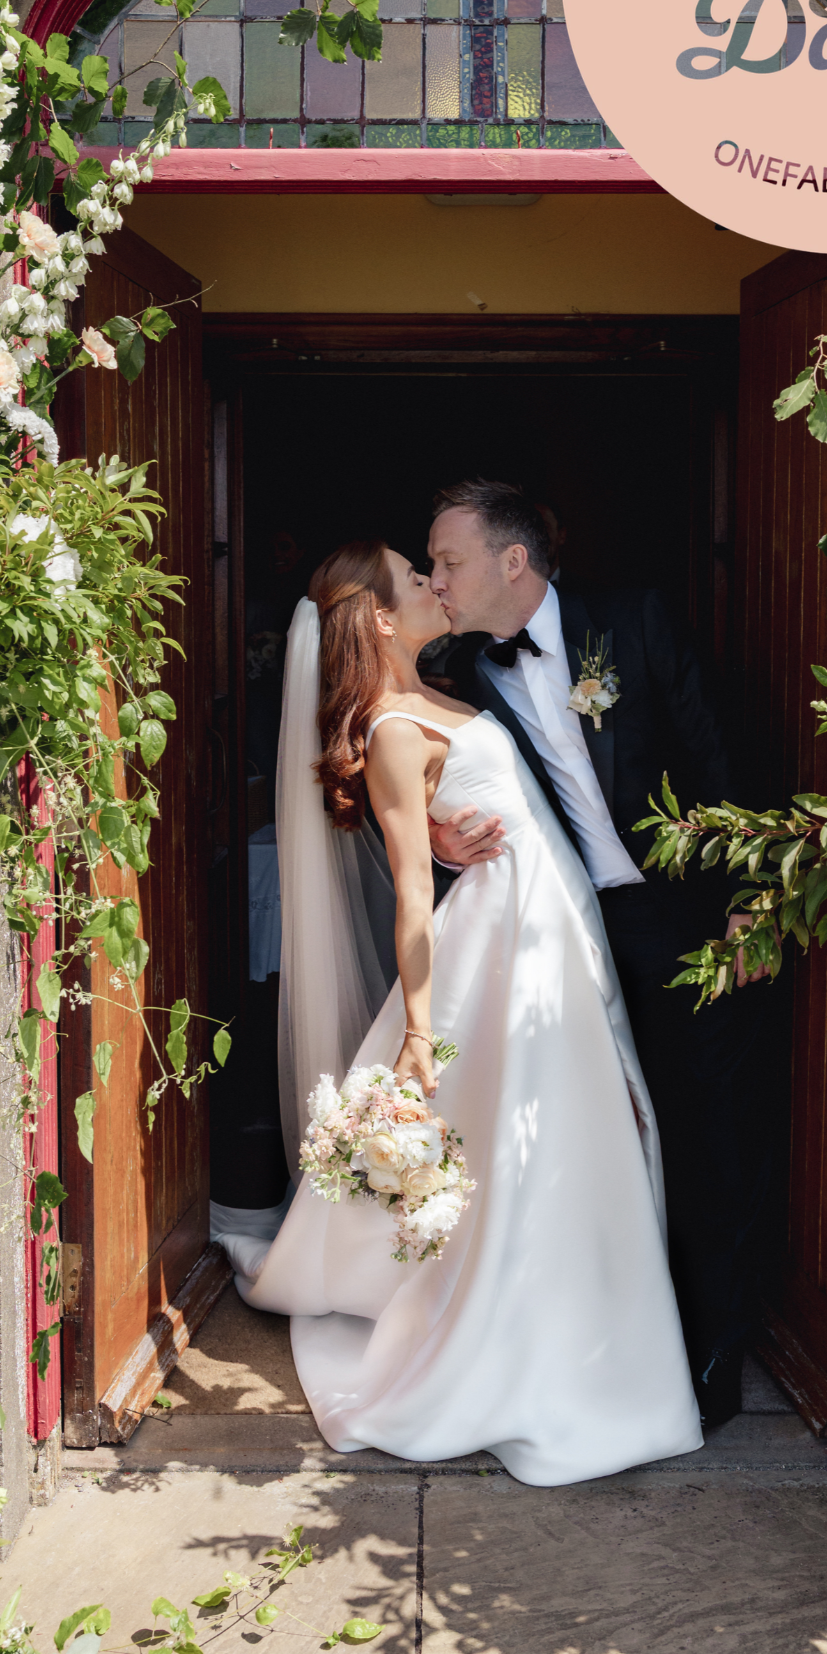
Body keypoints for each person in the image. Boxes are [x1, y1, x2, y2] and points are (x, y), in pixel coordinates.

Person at [227, 540, 701, 1486]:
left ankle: (593, 1329)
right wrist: (415, 1028)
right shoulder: (395, 727)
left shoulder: (459, 679)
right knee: (529, 1144)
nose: (437, 584)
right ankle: (526, 1350)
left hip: (552, 925)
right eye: (417, 576)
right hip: (502, 947)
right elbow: (410, 891)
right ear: (383, 619)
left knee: (572, 1133)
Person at [428, 478, 767, 1427]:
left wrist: (750, 906)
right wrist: (433, 838)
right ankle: (613, 1340)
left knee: (706, 1134)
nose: (436, 579)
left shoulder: (637, 621)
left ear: (512, 560)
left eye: (449, 559)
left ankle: (714, 1356)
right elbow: (379, 763)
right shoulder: (457, 673)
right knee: (598, 1137)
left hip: (688, 921)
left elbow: (720, 760)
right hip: (568, 935)